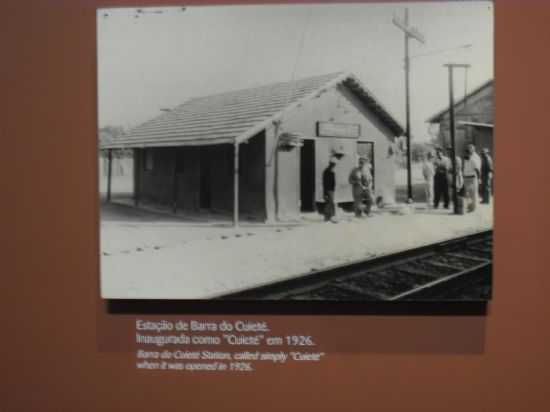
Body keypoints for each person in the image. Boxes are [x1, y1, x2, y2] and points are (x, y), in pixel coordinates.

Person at [463, 144, 481, 212]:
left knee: (473, 194)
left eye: (469, 150)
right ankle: (469, 207)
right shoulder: (467, 157)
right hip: (466, 177)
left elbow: (477, 169)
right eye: (467, 150)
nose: (467, 151)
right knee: (467, 194)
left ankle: (473, 208)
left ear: (473, 150)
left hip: (472, 177)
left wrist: (479, 178)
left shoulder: (475, 158)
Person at [322, 158, 338, 223]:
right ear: (331, 164)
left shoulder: (332, 171)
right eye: (333, 164)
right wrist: (325, 192)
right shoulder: (327, 171)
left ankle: (327, 217)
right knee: (331, 203)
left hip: (331, 189)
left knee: (329, 203)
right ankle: (332, 217)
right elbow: (325, 182)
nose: (334, 166)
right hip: (328, 189)